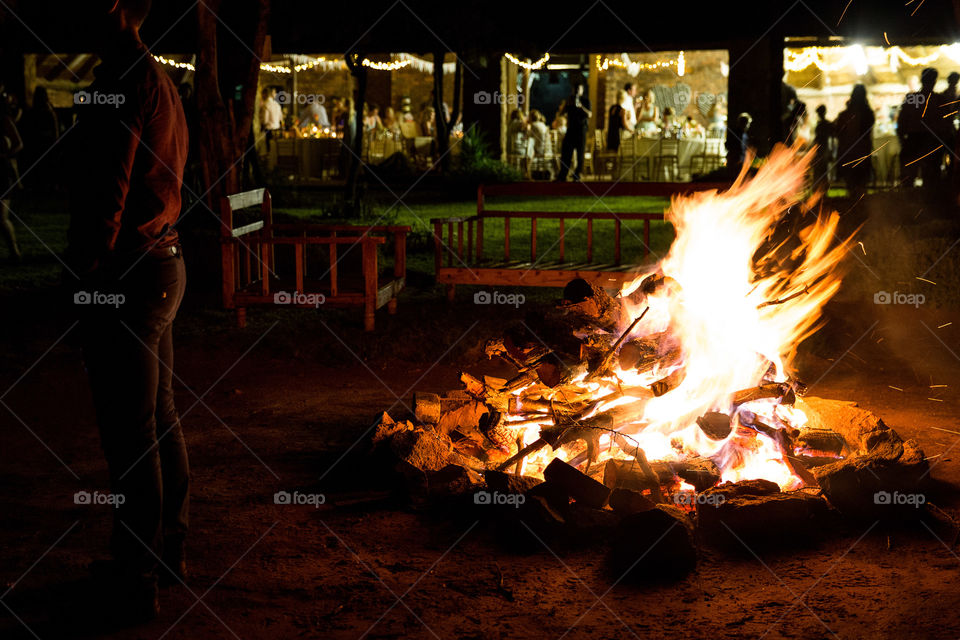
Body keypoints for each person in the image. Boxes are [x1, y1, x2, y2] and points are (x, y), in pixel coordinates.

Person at [64, 0, 189, 622]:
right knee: (156, 418)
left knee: (133, 433)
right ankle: (167, 551)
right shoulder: (158, 77)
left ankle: (138, 577)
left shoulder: (126, 83)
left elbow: (108, 191)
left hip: (132, 273)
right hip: (162, 262)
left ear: (112, 8)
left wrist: (86, 273)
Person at [898, 68, 938, 190]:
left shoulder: (911, 98)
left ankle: (907, 204)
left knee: (909, 178)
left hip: (913, 140)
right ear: (934, 81)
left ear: (921, 80)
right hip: (931, 140)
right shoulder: (938, 100)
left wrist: (903, 140)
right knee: (930, 180)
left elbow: (901, 122)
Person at [835, 84, 875, 200]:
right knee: (861, 185)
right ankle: (862, 208)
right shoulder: (868, 114)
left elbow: (839, 133)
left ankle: (853, 207)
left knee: (851, 185)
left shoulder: (844, 115)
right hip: (862, 151)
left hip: (848, 152)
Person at [22, 86, 60, 190]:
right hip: (43, 143)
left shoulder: (41, 111)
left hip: (41, 143)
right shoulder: (47, 111)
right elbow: (54, 129)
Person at [1, 93, 22, 261]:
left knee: (1, 217)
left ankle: (14, 251)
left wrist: (4, 154)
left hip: (1, 172)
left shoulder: (4, 120)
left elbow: (18, 143)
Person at [557, 82, 591, 181]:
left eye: (578, 89)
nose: (576, 91)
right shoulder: (570, 100)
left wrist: (581, 107)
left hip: (581, 130)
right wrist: (566, 105)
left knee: (580, 154)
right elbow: (561, 113)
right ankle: (563, 174)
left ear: (582, 90)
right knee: (566, 152)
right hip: (570, 130)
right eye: (575, 89)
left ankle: (577, 175)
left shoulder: (585, 101)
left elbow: (589, 114)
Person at [812, 104, 834, 188]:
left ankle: (820, 188)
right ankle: (820, 188)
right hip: (821, 150)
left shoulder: (824, 124)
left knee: (821, 169)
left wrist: (830, 151)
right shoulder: (826, 124)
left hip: (822, 150)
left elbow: (830, 138)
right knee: (821, 169)